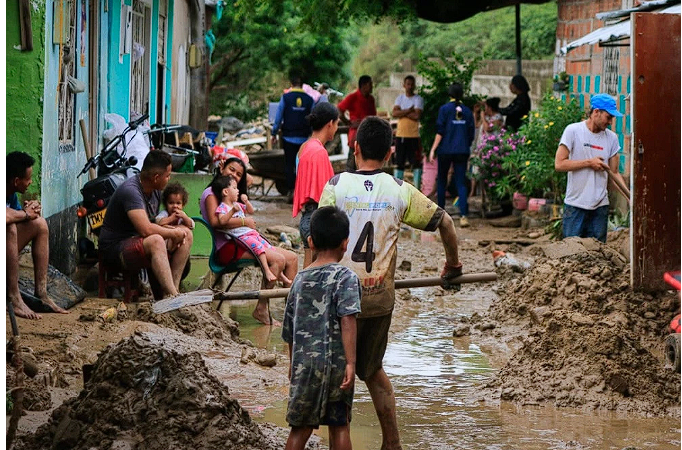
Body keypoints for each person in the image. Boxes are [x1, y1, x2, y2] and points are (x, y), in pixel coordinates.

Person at [319, 117, 462, 450]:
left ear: (355, 148)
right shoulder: (400, 190)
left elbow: (317, 240)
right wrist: (452, 265)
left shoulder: (336, 186)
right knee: (372, 370)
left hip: (339, 301)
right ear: (390, 152)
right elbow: (446, 222)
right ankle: (392, 442)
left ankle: (341, 441)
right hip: (377, 299)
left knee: (341, 373)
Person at [282, 206, 361, 450]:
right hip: (337, 367)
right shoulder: (346, 277)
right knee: (340, 426)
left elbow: (289, 329)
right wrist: (351, 362)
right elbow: (348, 319)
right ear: (345, 243)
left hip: (305, 367)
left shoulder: (300, 279)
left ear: (310, 241)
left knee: (300, 429)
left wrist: (292, 364)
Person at [199, 156, 298, 325]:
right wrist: (245, 222)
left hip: (243, 241)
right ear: (222, 167)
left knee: (293, 258)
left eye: (239, 174)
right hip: (228, 246)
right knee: (278, 259)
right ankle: (261, 309)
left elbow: (249, 181)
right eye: (232, 170)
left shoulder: (232, 195)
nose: (236, 176)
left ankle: (292, 312)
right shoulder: (211, 193)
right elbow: (216, 223)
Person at [99, 151, 193, 299]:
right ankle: (172, 295)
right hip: (115, 249)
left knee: (186, 233)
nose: (169, 179)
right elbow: (146, 229)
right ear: (156, 177)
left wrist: (175, 231)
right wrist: (173, 233)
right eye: (167, 176)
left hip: (137, 240)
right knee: (157, 240)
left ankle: (174, 291)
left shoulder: (155, 191)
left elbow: (154, 222)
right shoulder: (131, 191)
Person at [554, 93, 625, 243]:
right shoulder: (573, 131)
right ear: (596, 112)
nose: (611, 122)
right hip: (575, 205)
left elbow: (615, 173)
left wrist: (629, 196)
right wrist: (588, 163)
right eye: (608, 117)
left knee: (598, 255)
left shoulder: (612, 138)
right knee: (571, 253)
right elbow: (559, 164)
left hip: (600, 207)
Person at [6, 151, 68, 319]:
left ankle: (41, 293)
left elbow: (18, 214)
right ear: (16, 181)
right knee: (9, 228)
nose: (30, 182)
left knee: (39, 223)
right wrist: (25, 214)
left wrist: (30, 210)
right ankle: (13, 297)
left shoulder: (10, 193)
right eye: (28, 179)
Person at [212, 175, 290, 288]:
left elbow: (250, 211)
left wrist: (247, 201)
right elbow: (222, 221)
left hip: (250, 233)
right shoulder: (223, 207)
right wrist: (232, 211)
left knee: (269, 247)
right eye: (234, 188)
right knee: (259, 248)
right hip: (240, 236)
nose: (238, 191)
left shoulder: (237, 204)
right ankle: (267, 270)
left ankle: (281, 274)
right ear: (225, 192)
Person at [292, 102, 339, 268]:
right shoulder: (319, 152)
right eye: (337, 123)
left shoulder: (305, 147)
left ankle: (296, 294)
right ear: (330, 124)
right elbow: (326, 194)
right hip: (316, 218)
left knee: (307, 271)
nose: (337, 128)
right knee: (316, 271)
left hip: (306, 217)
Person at [428, 83, 476, 228]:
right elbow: (471, 134)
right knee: (461, 182)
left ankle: (441, 214)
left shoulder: (444, 110)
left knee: (442, 180)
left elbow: (440, 131)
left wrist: (433, 149)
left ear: (449, 94)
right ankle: (463, 216)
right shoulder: (467, 111)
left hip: (445, 150)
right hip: (462, 150)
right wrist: (463, 144)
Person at [271, 74, 315, 200]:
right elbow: (313, 119)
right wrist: (312, 136)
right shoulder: (309, 99)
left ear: (291, 85)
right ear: (302, 86)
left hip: (288, 137)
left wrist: (274, 133)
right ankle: (302, 192)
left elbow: (278, 117)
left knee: (289, 165)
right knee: (303, 165)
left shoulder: (285, 98)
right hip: (304, 138)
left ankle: (291, 191)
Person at [337, 75, 377, 171]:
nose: (372, 86)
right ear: (363, 85)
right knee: (352, 163)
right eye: (370, 84)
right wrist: (348, 122)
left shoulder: (371, 99)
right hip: (356, 135)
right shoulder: (353, 97)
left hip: (369, 136)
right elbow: (339, 110)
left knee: (367, 164)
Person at [392, 75, 424, 189]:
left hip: (414, 135)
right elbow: (394, 113)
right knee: (399, 162)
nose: (409, 86)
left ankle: (417, 187)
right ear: (404, 85)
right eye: (408, 84)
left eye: (411, 84)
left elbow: (417, 116)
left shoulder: (418, 99)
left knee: (415, 162)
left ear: (414, 85)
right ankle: (397, 187)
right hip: (401, 135)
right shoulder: (399, 98)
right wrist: (409, 110)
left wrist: (402, 112)